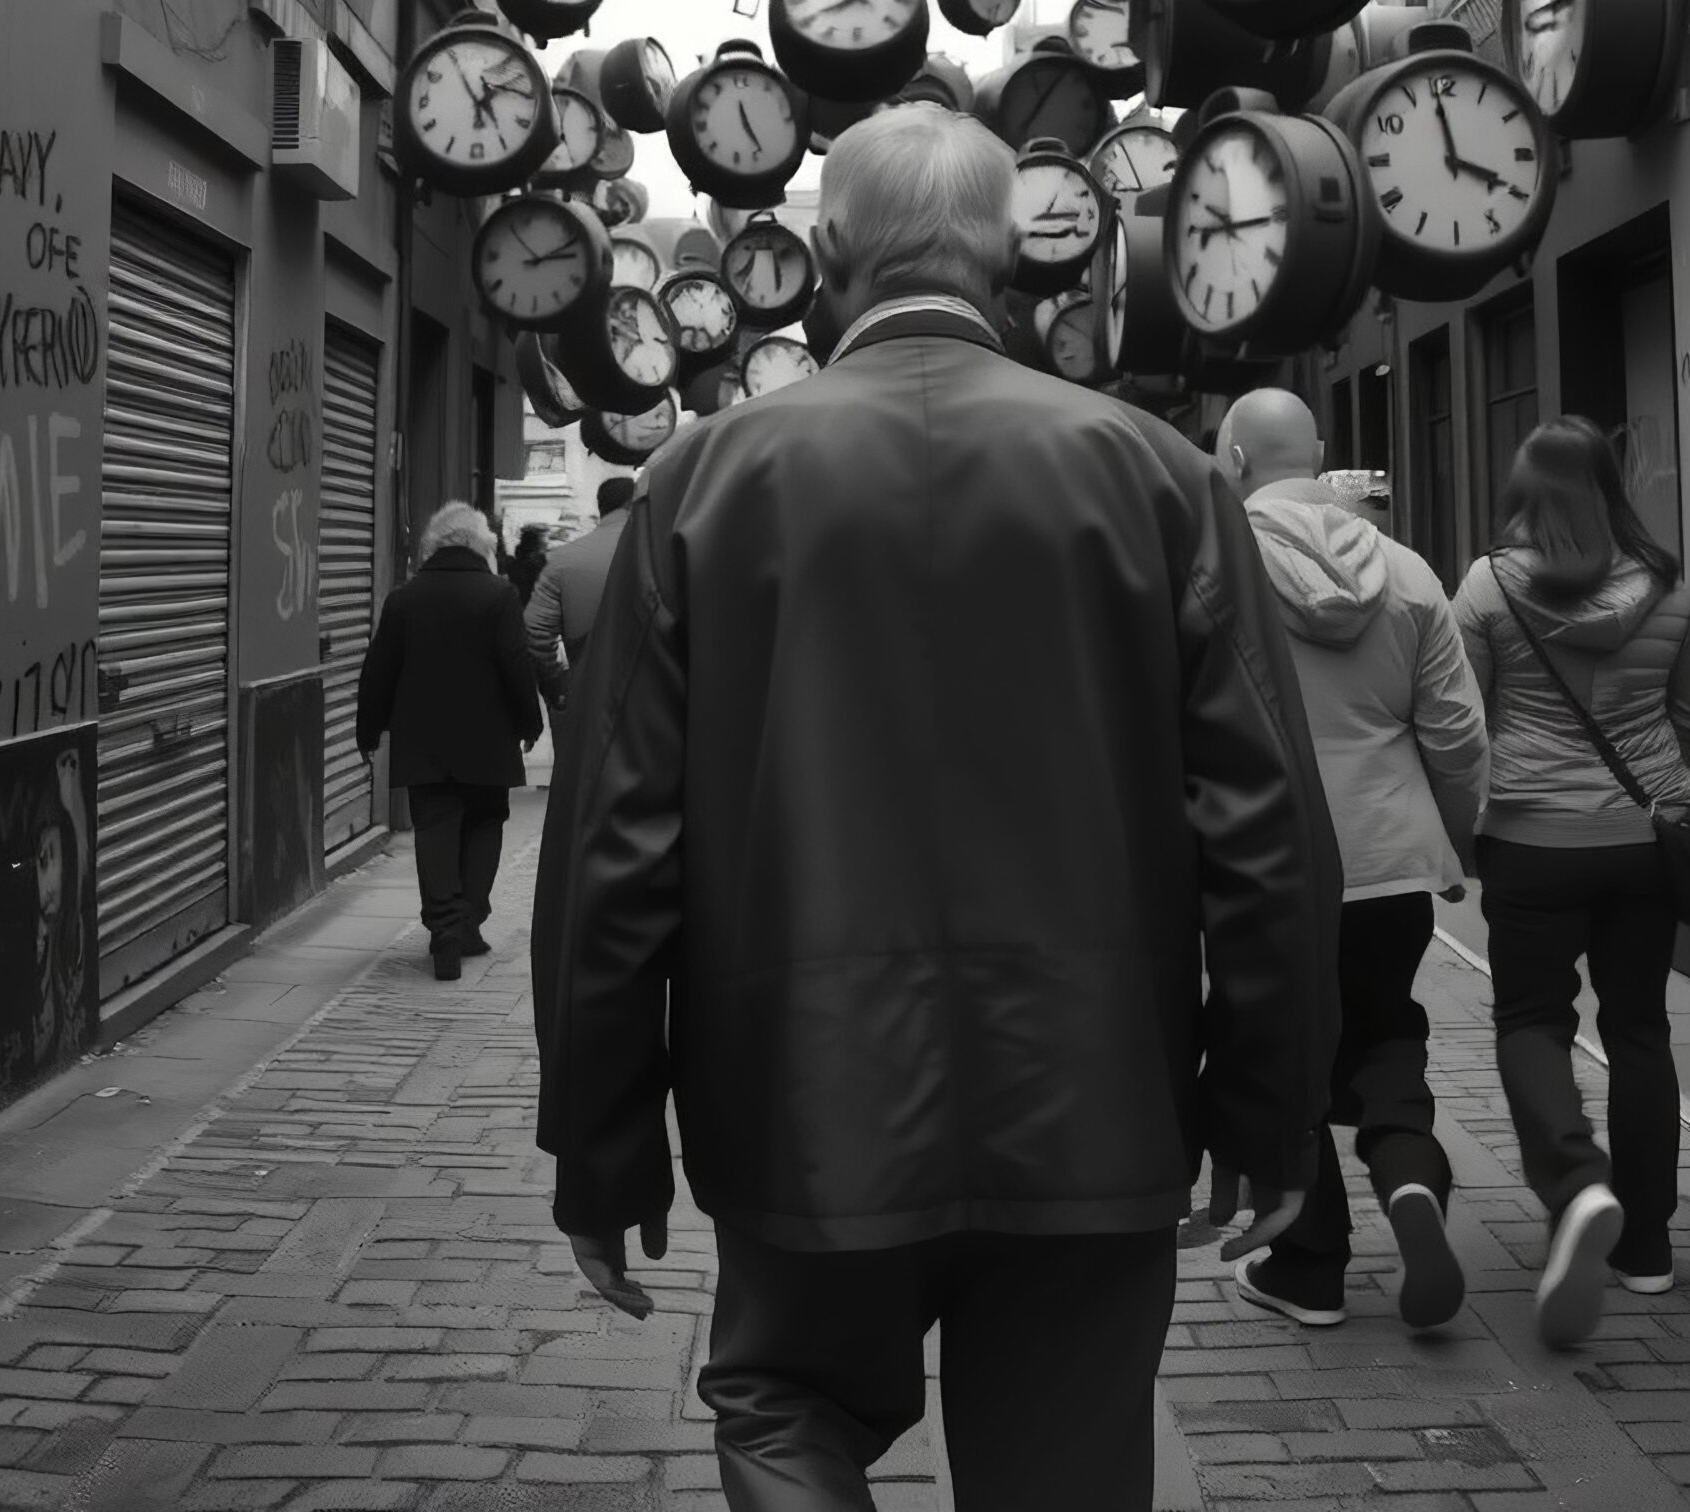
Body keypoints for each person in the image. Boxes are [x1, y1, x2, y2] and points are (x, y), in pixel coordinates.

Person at [533, 103, 1341, 1512]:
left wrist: (604, 1142)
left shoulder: (702, 485)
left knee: (785, 1408)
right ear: (1002, 257)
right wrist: (1269, 1113)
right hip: (1093, 1105)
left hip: (802, 1102)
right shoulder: (1160, 479)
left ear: (830, 250)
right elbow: (1266, 830)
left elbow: (614, 846)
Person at [1214, 388, 1488, 1334]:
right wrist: (1453, 841)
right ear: (1319, 456)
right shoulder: (1408, 573)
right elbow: (1458, 734)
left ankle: (1309, 1268)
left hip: (1263, 865)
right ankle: (1409, 1174)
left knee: (1278, 1052)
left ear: (1237, 462)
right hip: (1391, 858)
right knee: (1383, 1028)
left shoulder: (1210, 572)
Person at [1451, 416, 1690, 1347]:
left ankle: (1576, 1181)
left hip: (1528, 838)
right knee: (1640, 1027)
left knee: (1531, 1019)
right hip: (1643, 837)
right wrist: (1669, 799)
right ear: (1612, 484)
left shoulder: (1488, 583)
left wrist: (1461, 830)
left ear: (1524, 490)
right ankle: (1646, 1248)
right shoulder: (1668, 584)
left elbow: (1464, 718)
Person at [356, 500, 539, 979]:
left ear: (431, 546)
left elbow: (378, 671)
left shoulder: (403, 599)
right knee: (484, 825)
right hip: (488, 740)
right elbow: (516, 664)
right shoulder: (500, 595)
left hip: (425, 741)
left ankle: (443, 933)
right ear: (484, 547)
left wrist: (367, 730)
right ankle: (467, 924)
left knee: (434, 829)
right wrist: (530, 723)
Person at [523, 476, 636, 712]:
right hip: (653, 700)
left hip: (588, 697)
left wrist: (556, 683)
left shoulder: (562, 560)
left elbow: (535, 633)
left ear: (601, 507)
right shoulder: (662, 553)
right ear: (632, 505)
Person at [507, 521, 553, 608]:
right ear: (534, 540)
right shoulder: (534, 563)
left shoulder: (518, 560)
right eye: (544, 537)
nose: (547, 542)